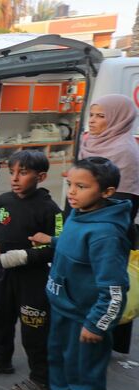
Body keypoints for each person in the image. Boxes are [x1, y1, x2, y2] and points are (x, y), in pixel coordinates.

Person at [29, 157, 130, 390]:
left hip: (83, 320)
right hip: (62, 311)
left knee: (83, 380)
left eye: (81, 187)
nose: (71, 192)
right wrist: (52, 241)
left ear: (107, 192)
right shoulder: (78, 212)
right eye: (70, 184)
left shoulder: (105, 235)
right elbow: (76, 247)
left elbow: (115, 290)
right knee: (59, 370)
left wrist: (97, 323)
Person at [0, 150, 62, 390]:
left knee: (34, 328)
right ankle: (2, 360)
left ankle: (41, 379)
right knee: (0, 320)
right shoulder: (3, 201)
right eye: (12, 172)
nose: (15, 178)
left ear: (41, 176)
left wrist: (24, 256)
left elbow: (58, 245)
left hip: (33, 279)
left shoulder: (51, 210)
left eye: (23, 173)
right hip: (3, 274)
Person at [79, 94, 139, 355]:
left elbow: (123, 205)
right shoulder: (90, 142)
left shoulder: (125, 152)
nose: (92, 121)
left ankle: (103, 339)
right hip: (84, 224)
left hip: (108, 234)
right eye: (91, 114)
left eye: (101, 116)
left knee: (106, 287)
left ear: (118, 118)